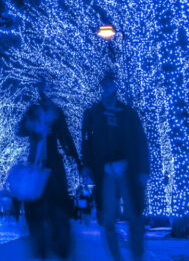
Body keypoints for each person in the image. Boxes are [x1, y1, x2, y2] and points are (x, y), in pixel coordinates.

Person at [81, 72, 149, 261]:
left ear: (115, 87)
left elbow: (140, 141)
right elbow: (86, 143)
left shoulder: (128, 113)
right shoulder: (92, 114)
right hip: (105, 171)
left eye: (111, 84)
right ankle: (117, 258)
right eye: (105, 85)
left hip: (128, 168)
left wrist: (143, 169)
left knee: (134, 216)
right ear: (102, 88)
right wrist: (87, 166)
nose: (108, 88)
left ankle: (137, 257)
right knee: (108, 218)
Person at [17, 79, 81, 260]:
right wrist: (32, 126)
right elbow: (20, 130)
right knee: (36, 205)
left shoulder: (56, 111)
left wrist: (77, 161)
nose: (43, 91)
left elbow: (65, 137)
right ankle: (42, 246)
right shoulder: (33, 110)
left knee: (57, 205)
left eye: (46, 87)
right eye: (41, 88)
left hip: (53, 164)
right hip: (36, 164)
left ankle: (59, 245)